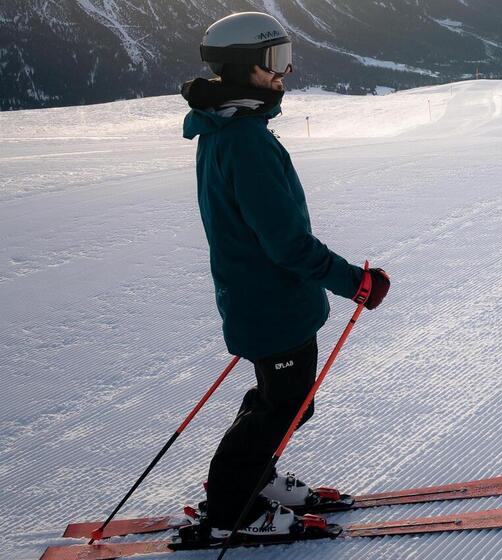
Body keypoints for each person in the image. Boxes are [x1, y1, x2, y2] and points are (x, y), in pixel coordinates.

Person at [181, 12, 390, 541]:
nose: (285, 72)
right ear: (239, 67)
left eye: (286, 57)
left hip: (265, 301)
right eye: (274, 61)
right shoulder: (244, 142)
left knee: (283, 399)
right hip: (271, 303)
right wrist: (355, 283)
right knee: (283, 405)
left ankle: (255, 478)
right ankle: (233, 507)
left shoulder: (230, 127)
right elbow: (287, 243)